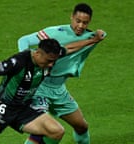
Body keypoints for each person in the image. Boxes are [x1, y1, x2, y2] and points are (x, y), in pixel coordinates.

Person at [18, 3, 106, 144]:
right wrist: (26, 62)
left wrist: (100, 34)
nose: (81, 26)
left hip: (59, 90)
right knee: (45, 130)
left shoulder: (90, 37)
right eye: (78, 21)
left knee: (81, 126)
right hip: (40, 87)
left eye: (85, 22)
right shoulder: (55, 32)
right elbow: (24, 40)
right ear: (71, 17)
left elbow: (99, 35)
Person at [0, 39, 67, 144]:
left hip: (23, 107)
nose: (51, 65)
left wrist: (84, 41)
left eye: (54, 61)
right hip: (2, 104)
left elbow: (68, 49)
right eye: (48, 61)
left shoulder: (52, 55)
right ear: (38, 53)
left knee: (56, 131)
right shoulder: (19, 61)